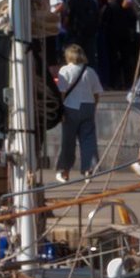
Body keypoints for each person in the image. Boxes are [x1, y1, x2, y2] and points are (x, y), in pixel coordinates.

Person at [53, 43, 102, 183]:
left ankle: (64, 171)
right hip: (88, 106)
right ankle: (88, 170)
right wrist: (94, 106)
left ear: (68, 56)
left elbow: (62, 92)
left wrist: (60, 110)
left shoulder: (65, 70)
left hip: (70, 107)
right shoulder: (90, 71)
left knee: (69, 141)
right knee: (88, 140)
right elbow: (97, 93)